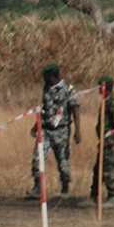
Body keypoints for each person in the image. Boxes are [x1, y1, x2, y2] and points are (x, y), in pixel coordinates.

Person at [28, 63, 80, 201]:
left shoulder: (68, 89)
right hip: (46, 129)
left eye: (45, 75)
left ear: (52, 75)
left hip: (61, 130)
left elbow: (75, 108)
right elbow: (46, 108)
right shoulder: (46, 88)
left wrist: (77, 131)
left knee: (63, 160)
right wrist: (36, 126)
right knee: (38, 157)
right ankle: (38, 186)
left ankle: (64, 188)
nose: (43, 78)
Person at [85, 76, 114, 208]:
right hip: (103, 142)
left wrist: (109, 140)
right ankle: (93, 196)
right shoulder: (105, 101)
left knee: (108, 170)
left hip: (109, 145)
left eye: (101, 87)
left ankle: (112, 197)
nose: (99, 90)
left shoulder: (112, 102)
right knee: (98, 170)